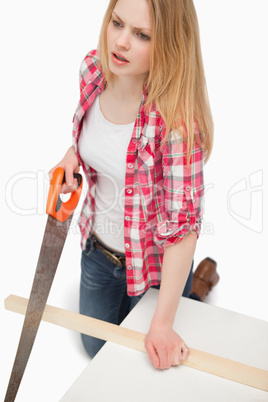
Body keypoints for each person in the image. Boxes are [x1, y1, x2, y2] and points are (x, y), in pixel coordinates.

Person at [49, 0, 214, 370]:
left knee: (146, 358)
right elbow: (96, 139)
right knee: (97, 350)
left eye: (141, 35)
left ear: (169, 44)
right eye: (117, 23)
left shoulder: (177, 125)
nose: (120, 42)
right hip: (98, 250)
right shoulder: (93, 69)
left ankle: (194, 292)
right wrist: (72, 155)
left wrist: (162, 323)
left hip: (156, 264)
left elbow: (183, 230)